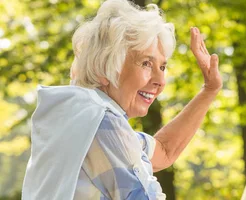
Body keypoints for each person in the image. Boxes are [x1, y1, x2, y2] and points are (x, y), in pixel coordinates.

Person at [21, 0, 221, 199]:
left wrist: (209, 90)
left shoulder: (82, 118)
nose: (160, 81)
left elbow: (164, 151)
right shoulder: (103, 121)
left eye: (162, 67)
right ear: (105, 67)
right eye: (146, 63)